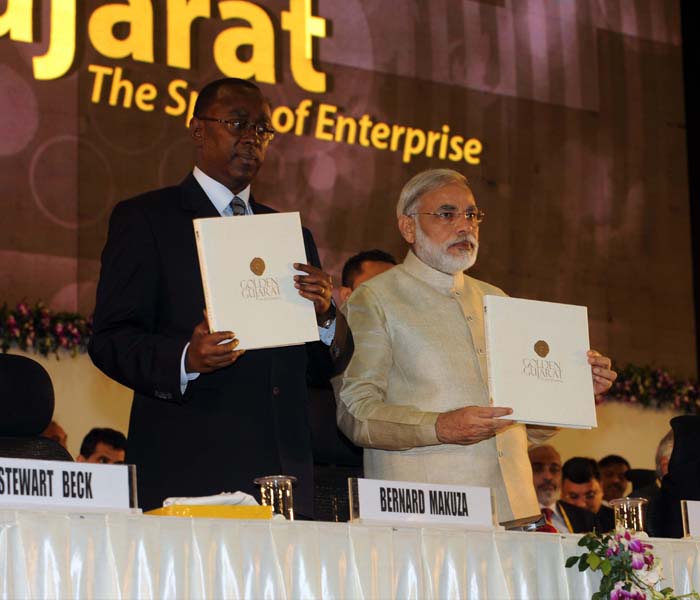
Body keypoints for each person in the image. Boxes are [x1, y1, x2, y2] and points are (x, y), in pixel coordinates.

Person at [89, 78, 349, 515]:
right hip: (190, 469)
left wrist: (324, 317)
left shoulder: (290, 234)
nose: (252, 138)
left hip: (284, 478)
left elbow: (322, 368)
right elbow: (110, 339)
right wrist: (186, 359)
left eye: (263, 129)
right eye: (237, 123)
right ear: (198, 131)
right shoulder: (146, 220)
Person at [336, 168, 617, 526]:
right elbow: (355, 412)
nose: (464, 225)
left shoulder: (495, 299)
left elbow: (521, 430)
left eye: (471, 214)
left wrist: (572, 394)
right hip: (427, 516)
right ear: (408, 227)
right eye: (447, 214)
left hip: (516, 512)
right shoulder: (375, 299)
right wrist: (440, 426)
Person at [309, 249, 397, 521]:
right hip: (319, 493)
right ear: (346, 295)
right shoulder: (320, 349)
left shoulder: (410, 358)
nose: (385, 302)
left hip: (388, 491)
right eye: (375, 291)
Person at [528, 445, 598, 533]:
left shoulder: (585, 518)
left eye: (554, 469)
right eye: (537, 469)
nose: (548, 477)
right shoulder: (512, 516)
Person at [561, 457, 614, 531]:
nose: (581, 504)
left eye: (590, 496)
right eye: (573, 496)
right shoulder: (550, 520)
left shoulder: (617, 523)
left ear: (601, 488)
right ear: (561, 493)